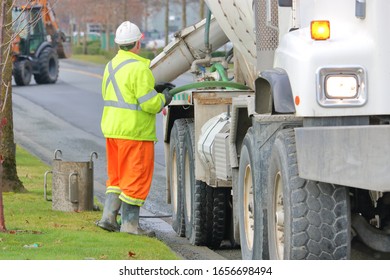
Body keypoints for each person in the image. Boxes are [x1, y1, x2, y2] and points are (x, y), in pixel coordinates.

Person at [96, 21, 172, 236]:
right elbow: (149, 104)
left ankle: (108, 217)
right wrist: (163, 98)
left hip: (113, 130)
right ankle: (130, 225)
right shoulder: (140, 68)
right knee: (135, 177)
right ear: (139, 42)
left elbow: (122, 93)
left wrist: (151, 90)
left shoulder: (111, 65)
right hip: (134, 132)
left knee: (117, 177)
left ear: (118, 44)